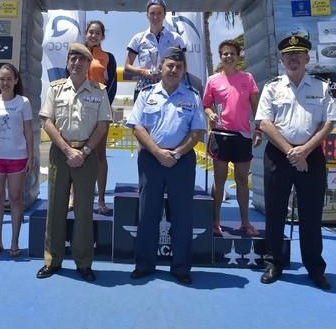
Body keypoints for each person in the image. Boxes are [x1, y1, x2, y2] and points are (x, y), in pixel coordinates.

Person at [255, 28, 336, 290]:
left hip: (311, 157)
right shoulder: (272, 88)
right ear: (282, 60)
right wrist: (292, 152)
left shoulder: (321, 87)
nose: (293, 59)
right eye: (288, 55)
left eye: (298, 54)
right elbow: (264, 123)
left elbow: (328, 123)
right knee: (275, 212)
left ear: (307, 58)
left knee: (311, 215)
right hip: (278, 157)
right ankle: (273, 263)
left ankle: (314, 268)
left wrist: (305, 151)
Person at [126, 47, 206, 285]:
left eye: (178, 67)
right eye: (169, 65)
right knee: (148, 213)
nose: (173, 70)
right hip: (151, 160)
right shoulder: (146, 94)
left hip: (181, 161)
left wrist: (177, 153)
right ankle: (144, 264)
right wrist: (158, 152)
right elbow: (137, 126)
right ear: (161, 68)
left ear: (183, 71)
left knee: (182, 216)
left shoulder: (192, 97)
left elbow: (197, 132)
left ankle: (181, 267)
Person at [36, 43, 112, 282]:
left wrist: (86, 150)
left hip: (86, 155)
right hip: (61, 153)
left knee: (84, 211)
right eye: (73, 58)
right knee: (56, 209)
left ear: (89, 65)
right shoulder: (55, 89)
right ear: (67, 63)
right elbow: (47, 121)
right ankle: (52, 260)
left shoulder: (99, 91)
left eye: (82, 59)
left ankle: (84, 262)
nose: (77, 63)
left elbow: (103, 125)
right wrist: (68, 150)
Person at [202, 40, 262, 237]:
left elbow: (256, 107)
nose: (228, 57)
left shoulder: (248, 78)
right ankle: (215, 222)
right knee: (219, 181)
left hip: (243, 136)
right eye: (225, 54)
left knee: (242, 180)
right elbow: (206, 105)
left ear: (238, 56)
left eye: (232, 54)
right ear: (221, 57)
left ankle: (245, 223)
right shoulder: (212, 80)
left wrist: (259, 129)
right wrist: (210, 113)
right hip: (220, 135)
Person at [0, 64, 33, 258]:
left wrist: (31, 156)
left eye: (9, 79)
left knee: (15, 199)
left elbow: (28, 131)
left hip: (17, 157)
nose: (5, 82)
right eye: (2, 79)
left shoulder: (24, 102)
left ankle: (14, 241)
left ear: (15, 80)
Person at [124, 0, 186, 101]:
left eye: (159, 13)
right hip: (144, 87)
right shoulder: (138, 38)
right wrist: (144, 72)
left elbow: (184, 65)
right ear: (147, 15)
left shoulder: (175, 38)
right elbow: (127, 66)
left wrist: (167, 73)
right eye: (152, 13)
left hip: (169, 86)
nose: (155, 17)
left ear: (164, 15)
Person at [84, 20, 117, 214]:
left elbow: (112, 85)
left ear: (102, 36)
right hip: (78, 112)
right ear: (86, 34)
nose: (94, 35)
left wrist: (104, 108)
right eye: (91, 32)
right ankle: (74, 196)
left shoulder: (108, 57)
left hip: (99, 112)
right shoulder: (76, 55)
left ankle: (102, 200)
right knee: (76, 152)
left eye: (97, 33)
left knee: (99, 155)